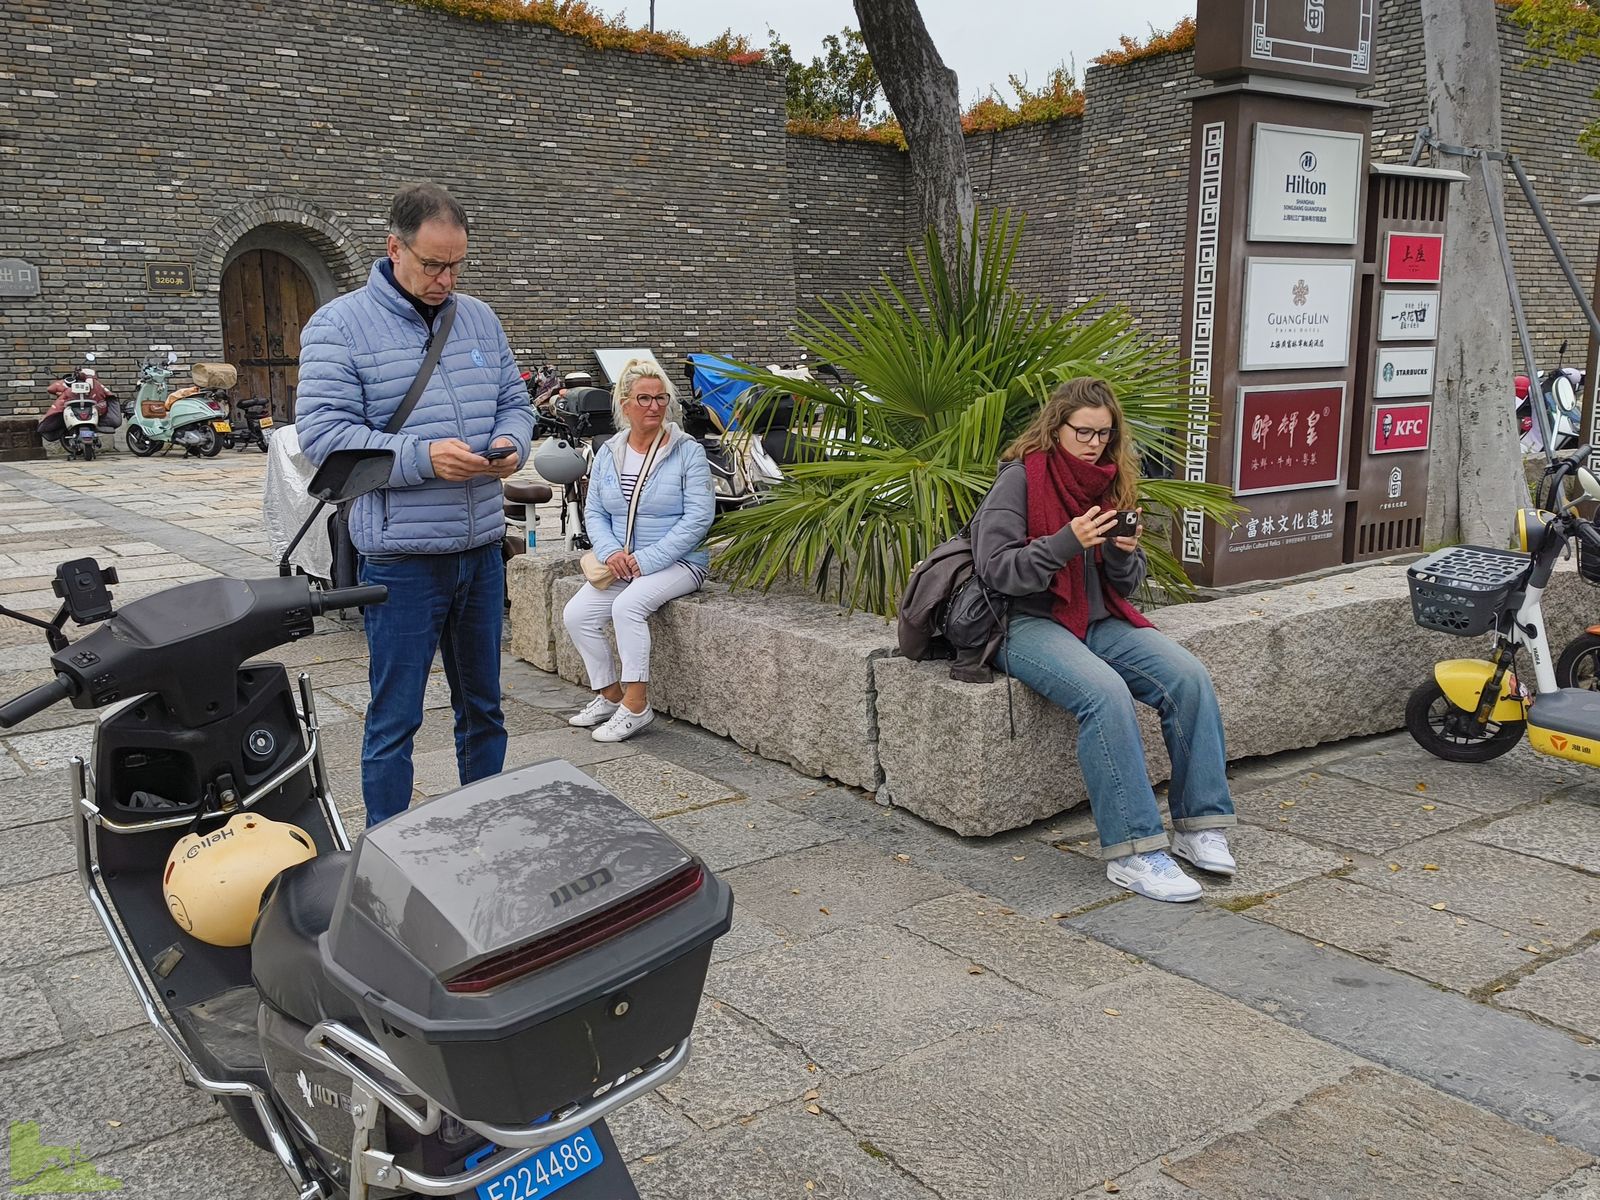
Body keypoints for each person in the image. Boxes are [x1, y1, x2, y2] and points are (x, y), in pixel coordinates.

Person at [295, 182, 535, 826]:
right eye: (432, 264)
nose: (445, 279)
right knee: (395, 715)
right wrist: (424, 458)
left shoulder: (479, 317)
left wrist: (513, 439)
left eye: (456, 264)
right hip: (400, 559)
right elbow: (324, 438)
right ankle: (388, 853)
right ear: (393, 247)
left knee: (484, 706)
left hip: (482, 549)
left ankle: (487, 828)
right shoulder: (338, 325)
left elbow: (516, 398)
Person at [973, 376, 1236, 902]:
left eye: (1104, 434)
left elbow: (1124, 583)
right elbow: (996, 569)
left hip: (1096, 619)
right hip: (1026, 623)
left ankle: (1197, 825)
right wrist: (1064, 543)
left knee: (1188, 677)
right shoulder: (1020, 479)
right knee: (1105, 693)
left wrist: (1121, 553)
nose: (1094, 444)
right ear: (1057, 427)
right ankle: (1135, 853)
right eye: (1084, 433)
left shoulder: (1109, 481)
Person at [561, 358, 714, 743]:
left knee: (627, 607)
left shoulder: (687, 452)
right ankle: (609, 695)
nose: (653, 407)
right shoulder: (610, 450)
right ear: (625, 405)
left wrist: (647, 560)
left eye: (660, 398)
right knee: (577, 614)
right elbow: (594, 509)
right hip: (622, 562)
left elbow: (698, 519)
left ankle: (635, 705)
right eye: (643, 399)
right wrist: (612, 552)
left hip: (679, 562)